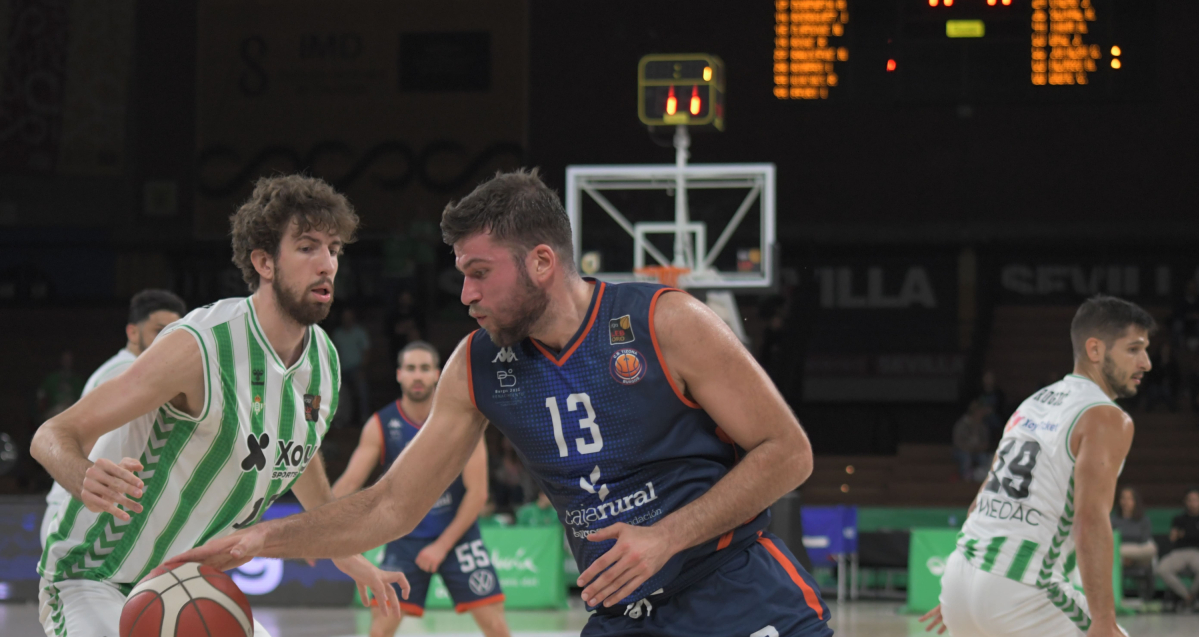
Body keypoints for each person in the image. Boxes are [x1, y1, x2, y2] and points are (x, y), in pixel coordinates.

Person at [173, 168, 833, 636]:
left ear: (542, 262)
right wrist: (264, 537)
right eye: (462, 275)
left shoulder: (665, 322)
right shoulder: (477, 366)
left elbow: (789, 453)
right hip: (624, 616)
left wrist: (667, 536)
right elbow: (391, 505)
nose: (466, 294)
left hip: (734, 591)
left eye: (479, 273)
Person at [30, 175, 408, 637]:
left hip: (183, 584)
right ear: (264, 262)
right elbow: (51, 435)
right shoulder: (200, 346)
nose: (327, 263)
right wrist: (82, 475)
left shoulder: (324, 363)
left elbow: (297, 455)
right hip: (95, 578)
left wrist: (348, 556)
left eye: (334, 249)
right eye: (308, 247)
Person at [923, 294, 1153, 637]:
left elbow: (983, 498)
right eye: (1134, 349)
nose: (1146, 363)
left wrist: (968, 597)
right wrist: (1103, 619)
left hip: (959, 577)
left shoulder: (1031, 404)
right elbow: (1090, 519)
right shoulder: (1107, 417)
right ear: (1095, 350)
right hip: (1021, 587)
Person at [332, 341, 510, 637]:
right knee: (379, 631)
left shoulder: (464, 421)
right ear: (399, 374)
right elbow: (350, 483)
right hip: (403, 538)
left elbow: (478, 493)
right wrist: (316, 527)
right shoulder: (380, 424)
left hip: (458, 536)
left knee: (496, 627)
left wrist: (441, 546)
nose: (418, 375)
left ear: (437, 374)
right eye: (411, 368)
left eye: (425, 368)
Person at [39, 289, 187, 549]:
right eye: (158, 331)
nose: (166, 340)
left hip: (96, 510)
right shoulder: (124, 373)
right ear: (133, 333)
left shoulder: (128, 371)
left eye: (173, 333)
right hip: (77, 515)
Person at [1157, 486, 1199, 611]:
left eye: (1195, 500)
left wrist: (1185, 534)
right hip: (1179, 552)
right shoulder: (1179, 518)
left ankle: (1192, 595)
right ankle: (1187, 596)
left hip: (1197, 552)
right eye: (1189, 500)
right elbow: (1173, 537)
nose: (1192, 503)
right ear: (1185, 502)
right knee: (1162, 569)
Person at [1109, 486, 1155, 600]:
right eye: (1123, 498)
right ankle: (1117, 598)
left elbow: (1144, 540)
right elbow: (1111, 540)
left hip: (1138, 554)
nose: (1126, 502)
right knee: (1111, 554)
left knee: (1151, 548)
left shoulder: (1144, 520)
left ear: (1135, 501)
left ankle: (1148, 598)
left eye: (1129, 498)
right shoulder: (1113, 520)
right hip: (1118, 555)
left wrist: (1130, 557)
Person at [332, 307, 372, 426]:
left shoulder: (360, 332)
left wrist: (362, 369)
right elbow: (333, 353)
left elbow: (367, 352)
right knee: (340, 394)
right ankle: (341, 421)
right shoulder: (337, 334)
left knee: (362, 390)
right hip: (341, 371)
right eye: (345, 317)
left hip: (357, 369)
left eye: (349, 317)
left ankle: (365, 418)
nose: (347, 320)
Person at [36, 351, 85, 421]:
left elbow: (83, 398)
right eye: (65, 359)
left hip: (71, 412)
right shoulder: (52, 378)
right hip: (54, 412)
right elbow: (41, 395)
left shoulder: (77, 380)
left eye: (69, 360)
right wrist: (42, 411)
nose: (67, 362)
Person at [952, 400, 992, 482]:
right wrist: (969, 448)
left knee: (984, 457)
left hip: (977, 451)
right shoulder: (962, 424)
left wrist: (980, 448)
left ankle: (984, 477)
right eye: (979, 412)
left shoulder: (982, 426)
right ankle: (965, 476)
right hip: (962, 450)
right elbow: (958, 442)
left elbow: (985, 442)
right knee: (966, 457)